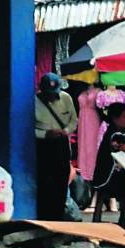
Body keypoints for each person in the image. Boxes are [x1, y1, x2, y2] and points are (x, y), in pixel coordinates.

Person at [91, 104, 125, 227]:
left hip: (110, 175)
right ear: (115, 118)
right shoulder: (114, 135)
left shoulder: (120, 131)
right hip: (106, 178)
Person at [34, 73, 77, 221]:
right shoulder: (34, 102)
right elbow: (28, 128)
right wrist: (45, 134)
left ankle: (58, 214)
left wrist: (65, 131)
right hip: (44, 145)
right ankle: (44, 215)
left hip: (61, 143)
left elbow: (73, 121)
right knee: (45, 179)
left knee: (61, 178)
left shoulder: (66, 98)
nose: (52, 97)